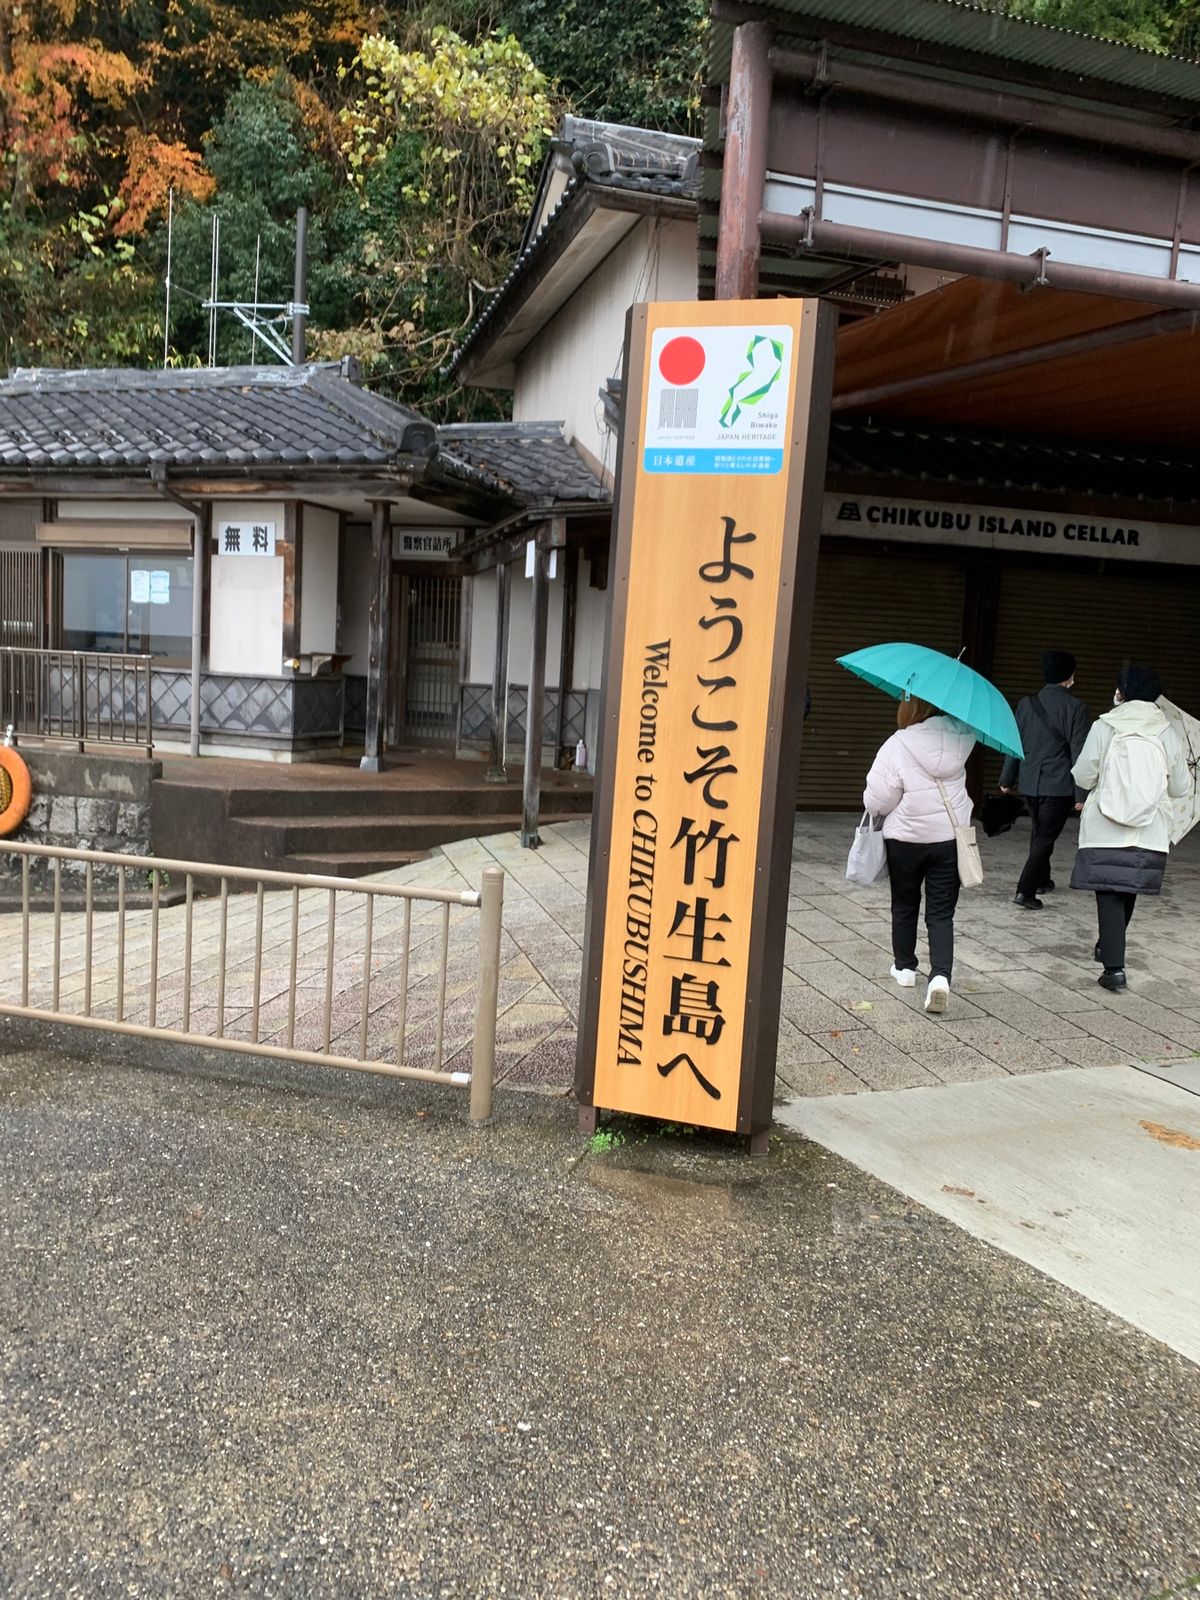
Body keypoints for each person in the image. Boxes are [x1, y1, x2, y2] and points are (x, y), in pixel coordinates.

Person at [1070, 664, 1190, 992]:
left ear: (1121, 693)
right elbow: (1180, 787)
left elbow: (1082, 776)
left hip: (1105, 825)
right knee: (1127, 885)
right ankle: (1110, 946)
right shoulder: (1167, 731)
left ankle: (1114, 967)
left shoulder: (1105, 726)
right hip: (1149, 827)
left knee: (1109, 889)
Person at [864, 695, 976, 1015]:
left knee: (904, 904)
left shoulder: (898, 743)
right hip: (948, 841)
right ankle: (940, 977)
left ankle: (905, 969)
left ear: (911, 707)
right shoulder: (961, 739)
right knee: (941, 914)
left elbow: (878, 799)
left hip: (906, 841)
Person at [998, 649, 1092, 910]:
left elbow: (1013, 745)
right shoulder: (1076, 708)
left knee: (1040, 830)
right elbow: (1078, 753)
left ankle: (1042, 879)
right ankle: (1024, 891)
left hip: (1030, 782)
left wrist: (1007, 779)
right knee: (1045, 836)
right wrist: (1081, 795)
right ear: (1070, 676)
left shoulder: (1026, 704)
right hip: (1058, 784)